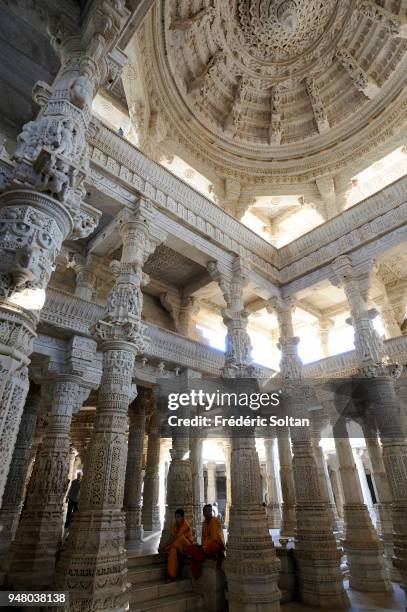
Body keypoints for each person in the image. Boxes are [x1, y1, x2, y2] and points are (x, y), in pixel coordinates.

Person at [186, 504, 225, 579]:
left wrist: (204, 546)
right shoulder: (204, 523)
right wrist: (202, 546)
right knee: (190, 548)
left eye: (210, 511)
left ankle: (213, 555)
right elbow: (203, 539)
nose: (208, 513)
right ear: (203, 513)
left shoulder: (215, 521)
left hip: (215, 546)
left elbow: (215, 539)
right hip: (206, 547)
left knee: (212, 546)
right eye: (206, 511)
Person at [161, 509, 193, 580]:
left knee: (180, 538)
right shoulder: (175, 525)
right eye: (176, 517)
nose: (176, 519)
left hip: (187, 547)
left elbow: (178, 539)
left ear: (183, 517)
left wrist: (167, 547)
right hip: (178, 546)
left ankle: (172, 575)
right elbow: (172, 538)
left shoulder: (186, 525)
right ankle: (172, 575)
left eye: (178, 517)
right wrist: (164, 545)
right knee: (173, 550)